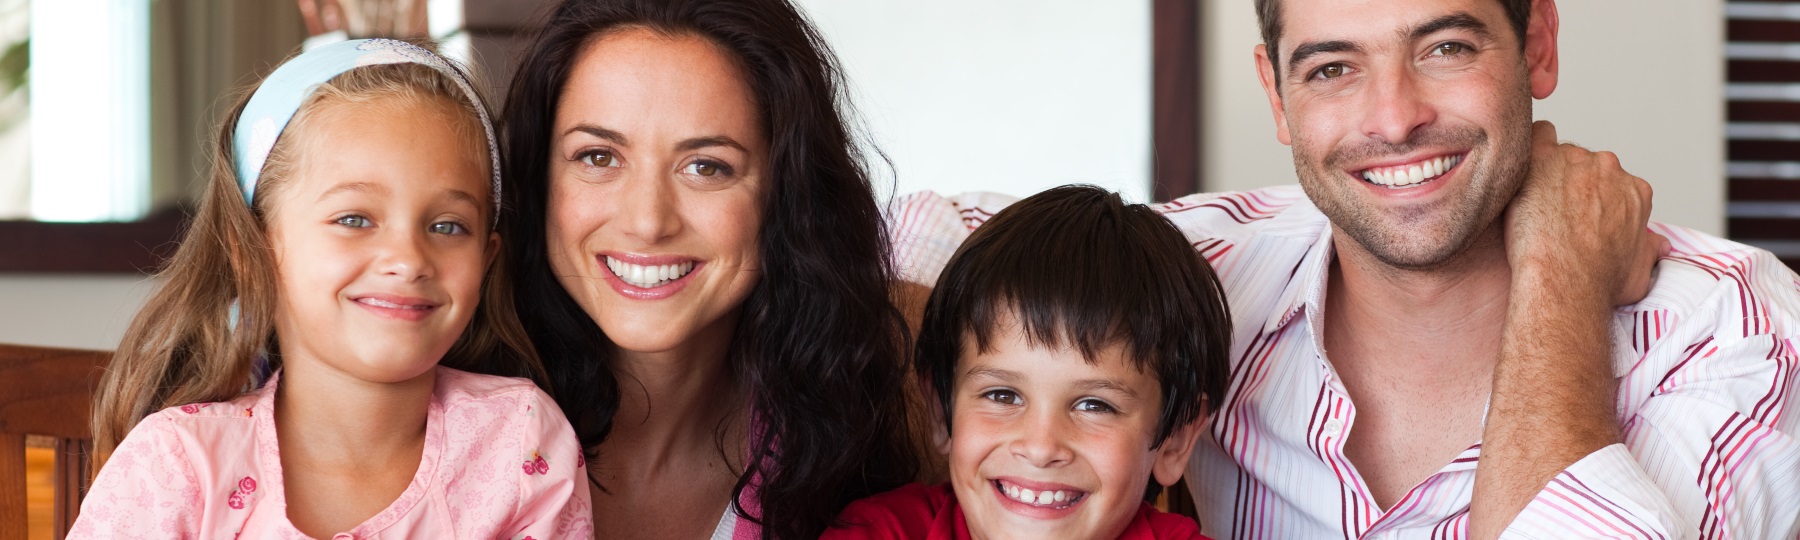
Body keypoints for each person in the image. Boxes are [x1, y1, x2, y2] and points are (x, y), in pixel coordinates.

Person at [888, 0, 1800, 537]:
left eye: (1445, 47)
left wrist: (1560, 272)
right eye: (1331, 68)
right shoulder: (1210, 267)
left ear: (1539, 46)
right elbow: (915, 234)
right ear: (1276, 95)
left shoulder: (1736, 329)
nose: (1394, 117)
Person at [74, 39, 592, 538]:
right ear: (251, 248)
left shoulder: (521, 443)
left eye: (448, 226)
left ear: (487, 259)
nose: (409, 259)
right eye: (354, 218)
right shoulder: (177, 463)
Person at [499, 0, 925, 538]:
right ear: (538, 180)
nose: (647, 221)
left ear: (787, 195)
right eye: (599, 157)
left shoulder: (869, 413)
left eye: (706, 166)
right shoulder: (430, 412)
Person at [826, 185, 1225, 539]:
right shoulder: (877, 532)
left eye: (1094, 404)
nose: (1040, 447)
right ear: (939, 409)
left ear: (1174, 440)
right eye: (1002, 395)